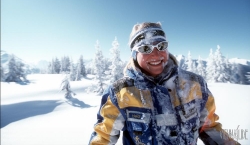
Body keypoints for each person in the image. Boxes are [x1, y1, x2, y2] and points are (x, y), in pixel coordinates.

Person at [88, 22, 239, 145]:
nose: (155, 54)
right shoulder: (120, 93)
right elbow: (103, 137)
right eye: (145, 48)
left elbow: (209, 127)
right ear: (134, 54)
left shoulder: (194, 85)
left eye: (161, 46)